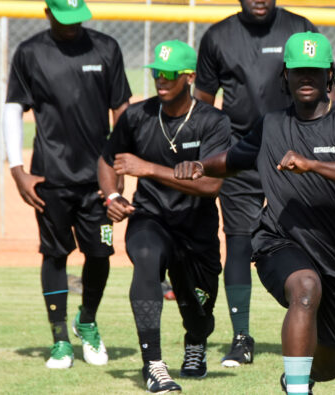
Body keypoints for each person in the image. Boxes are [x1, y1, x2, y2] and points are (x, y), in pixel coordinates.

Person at [176, 32, 335, 395]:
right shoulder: (272, 123)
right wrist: (201, 165)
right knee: (305, 289)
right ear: (286, 77)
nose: (305, 78)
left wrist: (314, 165)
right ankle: (296, 390)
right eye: (297, 71)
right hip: (278, 241)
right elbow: (234, 158)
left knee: (327, 366)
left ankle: (299, 378)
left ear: (330, 75)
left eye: (314, 71)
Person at [3, 0, 131, 369]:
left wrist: (119, 160)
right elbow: (13, 108)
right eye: (64, 19)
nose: (72, 26)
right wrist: (17, 169)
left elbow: (121, 108)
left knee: (101, 254)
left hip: (99, 177)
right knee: (55, 254)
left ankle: (86, 321)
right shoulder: (30, 53)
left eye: (78, 19)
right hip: (51, 177)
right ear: (47, 13)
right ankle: (59, 339)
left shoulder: (106, 48)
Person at [98, 40, 231, 394]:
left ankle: (196, 343)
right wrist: (112, 195)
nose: (161, 79)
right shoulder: (137, 115)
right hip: (150, 218)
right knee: (145, 260)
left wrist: (149, 169)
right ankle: (154, 364)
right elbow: (107, 158)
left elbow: (212, 185)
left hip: (196, 227)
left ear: (188, 77)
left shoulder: (212, 121)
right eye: (157, 72)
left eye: (170, 74)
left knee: (199, 308)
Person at [195, 0, 320, 368]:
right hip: (239, 155)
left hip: (293, 152)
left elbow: (323, 86)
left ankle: (314, 322)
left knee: (308, 237)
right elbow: (203, 102)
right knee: (237, 240)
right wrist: (209, 153)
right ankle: (241, 337)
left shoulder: (300, 27)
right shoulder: (218, 36)